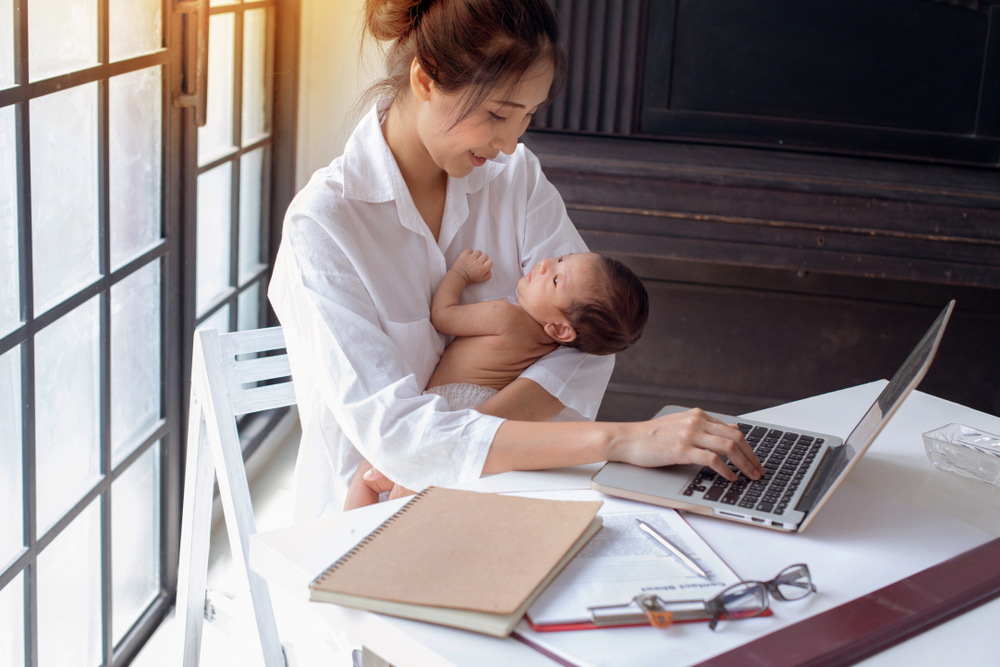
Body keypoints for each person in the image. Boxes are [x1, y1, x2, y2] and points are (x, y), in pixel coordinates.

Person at [269, 0, 764, 522]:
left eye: (527, 116)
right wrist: (621, 439)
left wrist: (465, 434)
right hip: (369, 517)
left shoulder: (515, 179)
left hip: (511, 490)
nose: (510, 144)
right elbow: (396, 439)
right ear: (425, 80)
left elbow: (588, 342)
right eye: (498, 115)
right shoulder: (323, 225)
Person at [344, 248, 651, 509]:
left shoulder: (504, 316)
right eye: (560, 259)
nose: (544, 265)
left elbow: (443, 315)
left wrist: (461, 274)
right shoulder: (548, 349)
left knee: (370, 471)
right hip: (488, 421)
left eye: (556, 279)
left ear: (560, 329)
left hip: (452, 409)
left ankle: (348, 542)